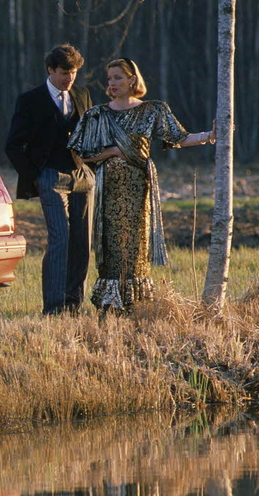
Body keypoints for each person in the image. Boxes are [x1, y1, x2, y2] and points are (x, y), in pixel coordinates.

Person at [67, 58, 216, 311]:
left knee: (137, 244)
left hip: (139, 188)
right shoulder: (98, 114)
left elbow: (178, 137)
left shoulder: (153, 110)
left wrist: (210, 136)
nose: (111, 83)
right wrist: (113, 151)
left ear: (132, 79)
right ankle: (110, 304)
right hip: (109, 188)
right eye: (109, 78)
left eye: (117, 78)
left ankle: (137, 303)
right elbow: (80, 152)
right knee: (111, 245)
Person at [5, 44, 96, 316]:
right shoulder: (30, 99)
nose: (70, 78)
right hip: (50, 176)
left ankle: (74, 305)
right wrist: (36, 176)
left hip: (82, 176)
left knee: (82, 242)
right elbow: (13, 145)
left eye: (74, 72)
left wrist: (91, 168)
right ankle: (54, 308)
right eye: (65, 72)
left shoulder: (82, 94)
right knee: (60, 239)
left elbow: (90, 136)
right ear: (50, 70)